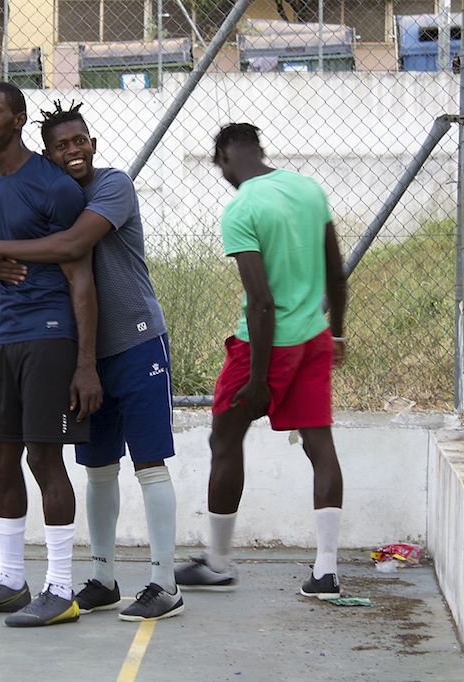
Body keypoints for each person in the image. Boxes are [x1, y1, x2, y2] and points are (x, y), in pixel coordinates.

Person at [0, 101, 182, 621]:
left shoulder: (113, 185)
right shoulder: (47, 192)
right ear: (47, 154)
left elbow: (73, 244)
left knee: (149, 463)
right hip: (83, 351)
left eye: (80, 141)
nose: (74, 151)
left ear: (93, 143)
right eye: (62, 145)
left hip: (135, 341)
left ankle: (165, 583)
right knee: (98, 467)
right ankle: (103, 578)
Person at [0, 82, 102, 627]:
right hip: (6, 342)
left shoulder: (54, 186)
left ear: (18, 120)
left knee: (44, 459)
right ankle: (11, 583)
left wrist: (85, 363)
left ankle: (60, 589)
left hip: (50, 338)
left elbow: (81, 276)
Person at [173, 123, 348, 599]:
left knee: (225, 439)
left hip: (264, 345)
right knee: (319, 445)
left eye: (221, 169)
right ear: (257, 149)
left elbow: (262, 301)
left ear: (224, 158)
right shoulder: (309, 190)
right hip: (313, 336)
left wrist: (257, 380)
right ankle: (326, 572)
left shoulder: (242, 207)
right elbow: (336, 273)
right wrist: (337, 332)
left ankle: (217, 563)